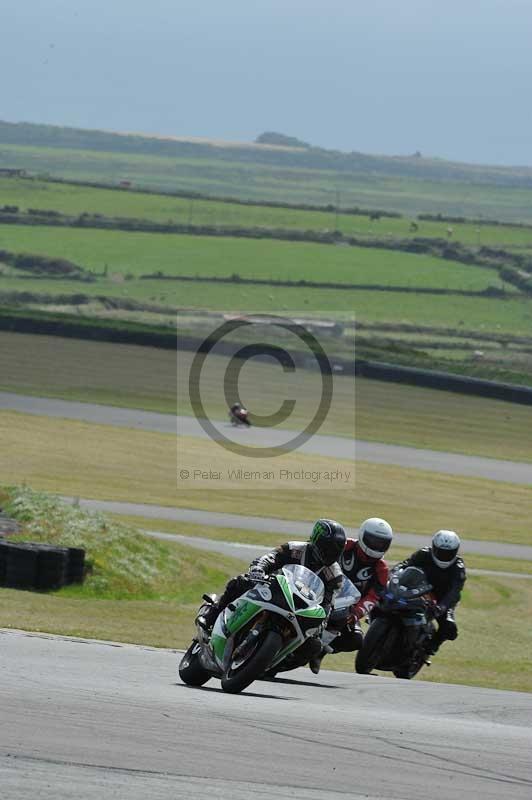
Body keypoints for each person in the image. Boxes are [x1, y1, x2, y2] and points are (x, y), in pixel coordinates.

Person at [197, 519, 346, 647]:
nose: (330, 554)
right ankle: (212, 615)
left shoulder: (335, 576)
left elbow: (328, 603)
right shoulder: (294, 549)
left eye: (336, 551)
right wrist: (258, 569)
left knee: (313, 646)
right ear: (317, 541)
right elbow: (269, 558)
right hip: (273, 589)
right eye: (328, 548)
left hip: (302, 607)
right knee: (239, 582)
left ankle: (279, 663)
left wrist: (321, 621)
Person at [309, 517, 393, 673]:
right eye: (373, 540)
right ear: (362, 535)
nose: (376, 545)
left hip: (345, 606)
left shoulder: (382, 569)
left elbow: (373, 597)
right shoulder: (344, 545)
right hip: (317, 591)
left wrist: (356, 613)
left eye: (381, 543)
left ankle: (319, 651)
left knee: (356, 640)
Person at [393, 530, 466, 653]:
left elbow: (454, 591)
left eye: (448, 553)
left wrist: (442, 607)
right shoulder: (424, 554)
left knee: (450, 627)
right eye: (440, 552)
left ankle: (432, 645)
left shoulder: (458, 568)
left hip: (443, 598)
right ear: (433, 547)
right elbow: (405, 565)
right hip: (418, 589)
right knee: (387, 597)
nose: (443, 556)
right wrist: (395, 572)